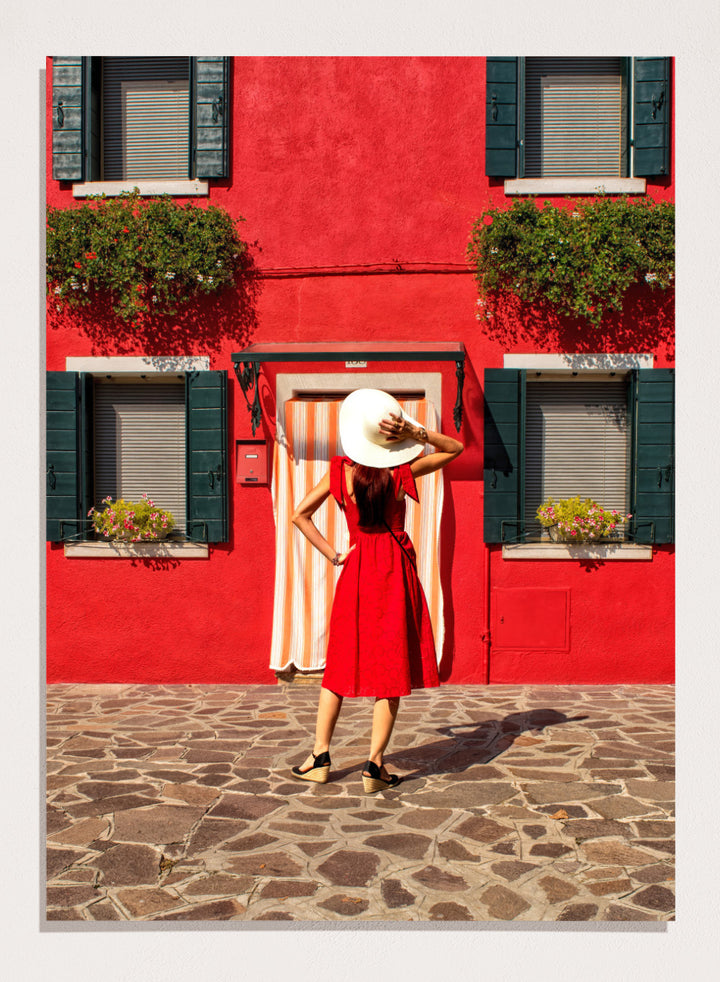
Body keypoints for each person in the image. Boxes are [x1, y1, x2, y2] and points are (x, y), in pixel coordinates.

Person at [289, 388, 463, 793]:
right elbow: (454, 449)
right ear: (390, 439)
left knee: (340, 662)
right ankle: (374, 766)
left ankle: (319, 757)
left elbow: (299, 515)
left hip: (357, 568)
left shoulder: (340, 472)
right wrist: (416, 432)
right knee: (390, 667)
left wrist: (335, 556)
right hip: (394, 570)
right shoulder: (400, 473)